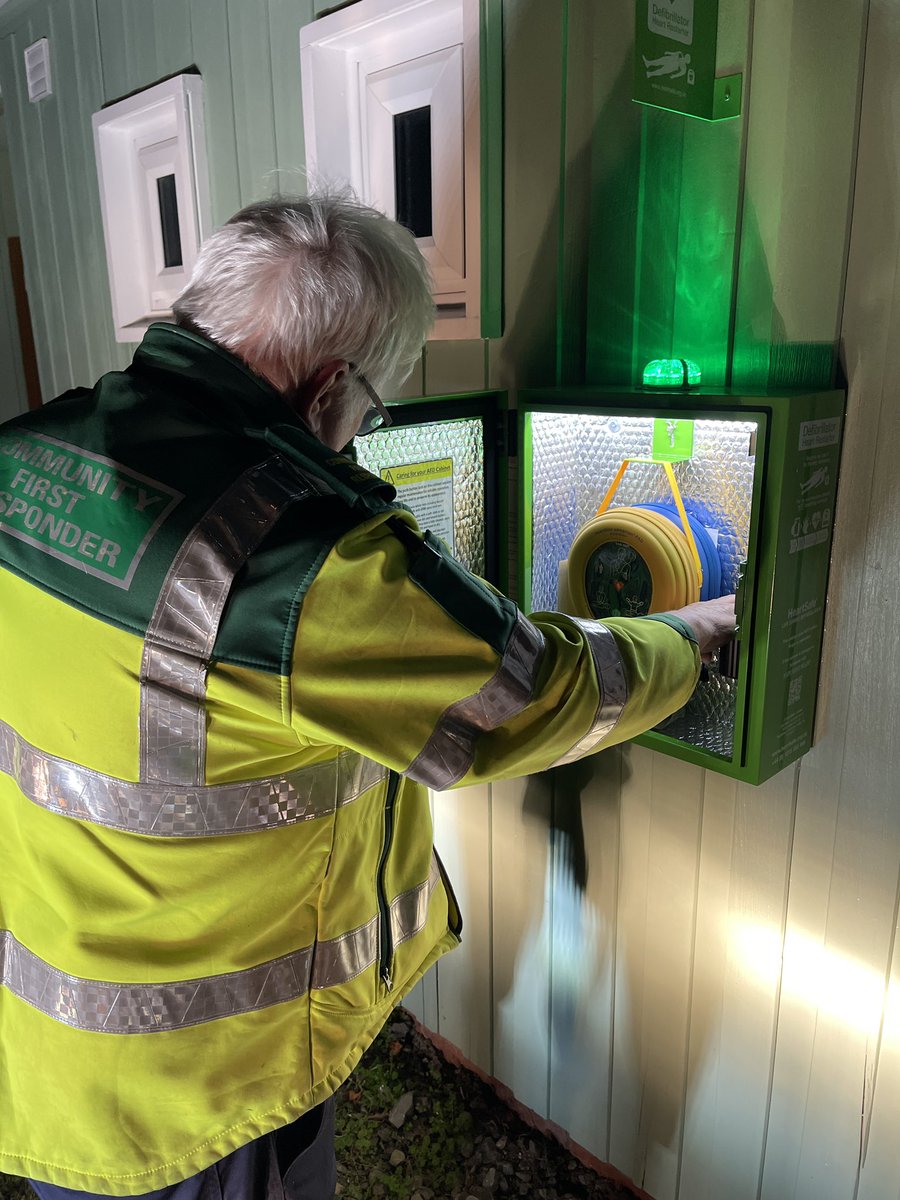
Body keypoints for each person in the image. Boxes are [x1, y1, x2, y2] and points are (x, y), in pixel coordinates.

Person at [0, 194, 735, 1200]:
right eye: (371, 412)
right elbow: (529, 696)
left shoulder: (28, 452)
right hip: (204, 1099)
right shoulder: (300, 560)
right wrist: (692, 639)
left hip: (48, 1050)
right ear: (328, 388)